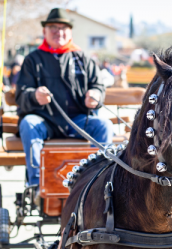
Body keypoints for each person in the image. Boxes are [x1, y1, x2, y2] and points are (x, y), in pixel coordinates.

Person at [16, 8, 113, 189]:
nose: (58, 32)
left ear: (70, 32)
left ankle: (97, 182)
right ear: (44, 31)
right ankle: (37, 184)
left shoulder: (83, 59)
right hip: (44, 121)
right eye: (53, 27)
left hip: (77, 121)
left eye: (63, 27)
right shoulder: (32, 60)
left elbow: (97, 85)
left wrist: (95, 95)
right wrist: (34, 96)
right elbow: (21, 94)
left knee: (104, 126)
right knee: (28, 124)